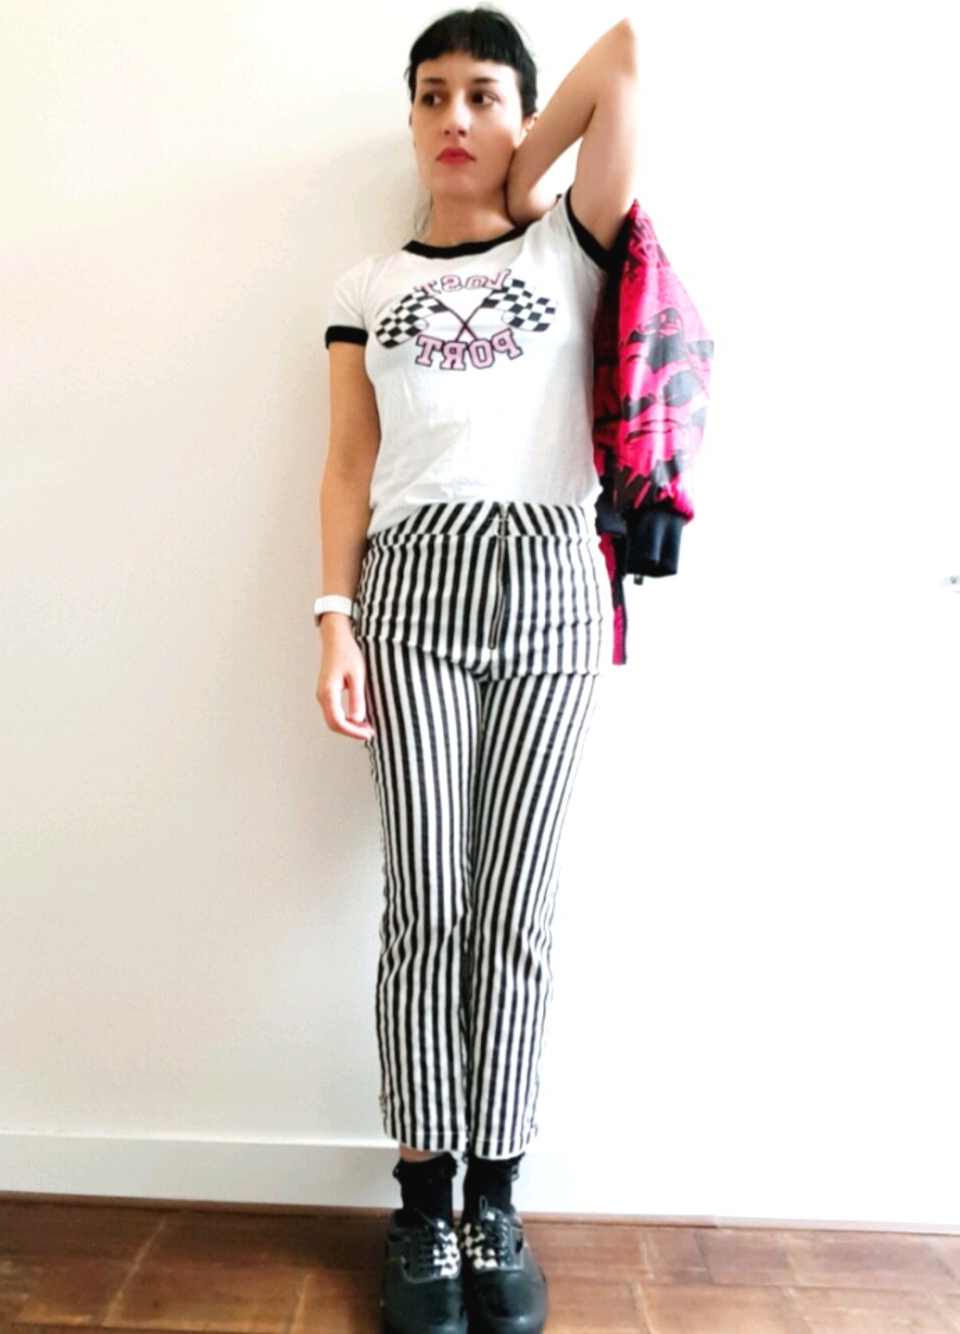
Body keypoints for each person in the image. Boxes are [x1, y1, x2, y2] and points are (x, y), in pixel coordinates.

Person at [316, 9, 638, 1332]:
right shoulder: (366, 284)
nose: (454, 118)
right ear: (406, 118)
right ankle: (420, 1202)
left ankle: (494, 1198)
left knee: (516, 906)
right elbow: (348, 461)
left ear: (521, 114)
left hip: (554, 578)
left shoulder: (571, 244)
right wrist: (332, 616)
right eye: (432, 95)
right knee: (428, 904)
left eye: (484, 95)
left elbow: (626, 57)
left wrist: (522, 177)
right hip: (410, 589)